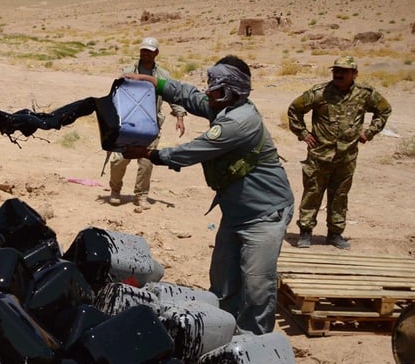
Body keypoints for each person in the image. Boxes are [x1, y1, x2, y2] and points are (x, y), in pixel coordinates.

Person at [122, 55, 294, 335]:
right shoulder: (223, 107)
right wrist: (154, 82)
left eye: (214, 86)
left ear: (229, 91)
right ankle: (224, 332)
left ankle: (255, 345)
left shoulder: (238, 122)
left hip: (264, 216)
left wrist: (149, 153)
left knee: (256, 288)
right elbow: (189, 96)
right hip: (236, 214)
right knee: (223, 283)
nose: (207, 91)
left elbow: (192, 151)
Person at [287, 55, 392, 250]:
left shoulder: (365, 94)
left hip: (347, 157)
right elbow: (295, 109)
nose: (339, 74)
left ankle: (335, 234)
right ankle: (305, 232)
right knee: (312, 193)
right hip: (319, 156)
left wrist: (369, 132)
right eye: (336, 70)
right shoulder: (319, 93)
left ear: (354, 74)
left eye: (344, 71)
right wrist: (303, 133)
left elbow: (384, 110)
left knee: (340, 195)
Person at [107, 37, 187, 208]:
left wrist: (179, 116)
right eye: (143, 51)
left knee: (146, 162)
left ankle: (141, 196)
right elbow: (116, 96)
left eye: (149, 52)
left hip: (151, 125)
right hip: (128, 124)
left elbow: (173, 96)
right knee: (119, 159)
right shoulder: (128, 71)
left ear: (156, 53)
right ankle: (115, 190)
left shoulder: (162, 75)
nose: (145, 54)